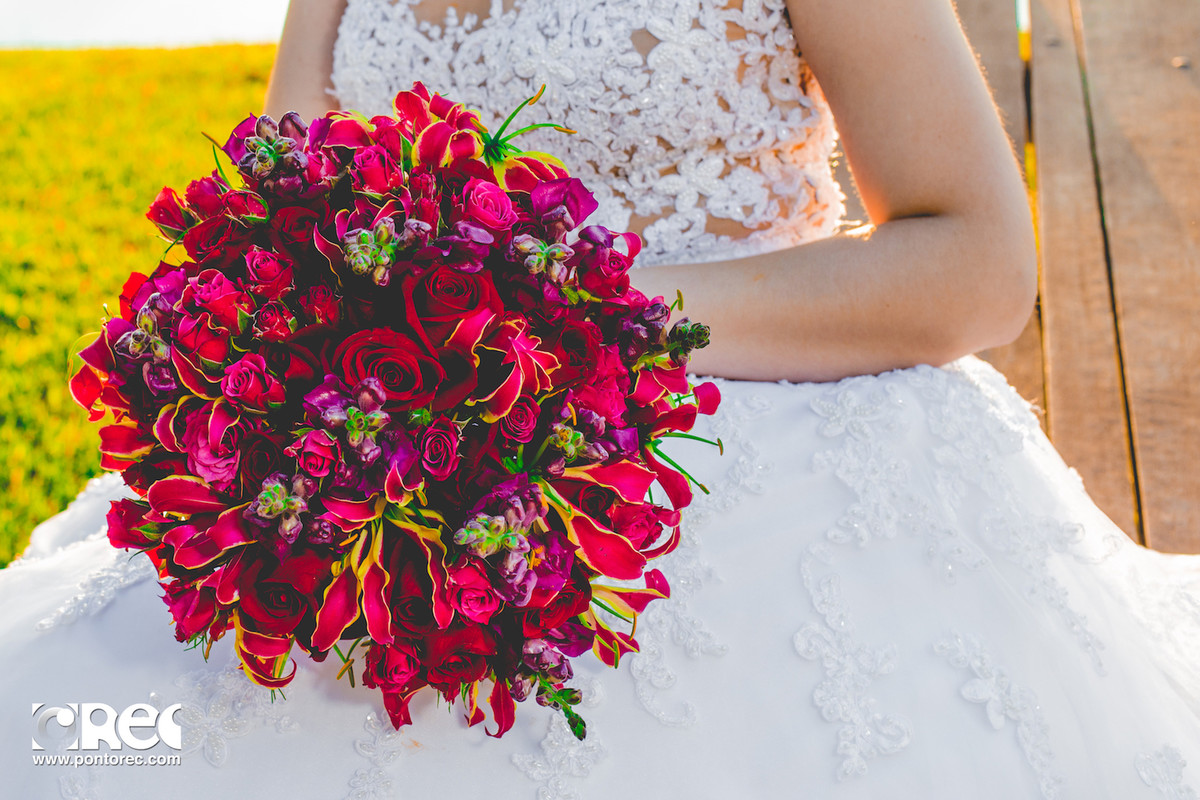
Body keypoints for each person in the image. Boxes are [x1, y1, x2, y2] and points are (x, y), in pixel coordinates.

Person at [2, 1, 1198, 797]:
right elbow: (291, 196)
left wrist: (580, 313)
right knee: (87, 733)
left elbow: (979, 259)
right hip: (402, 452)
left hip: (744, 424)